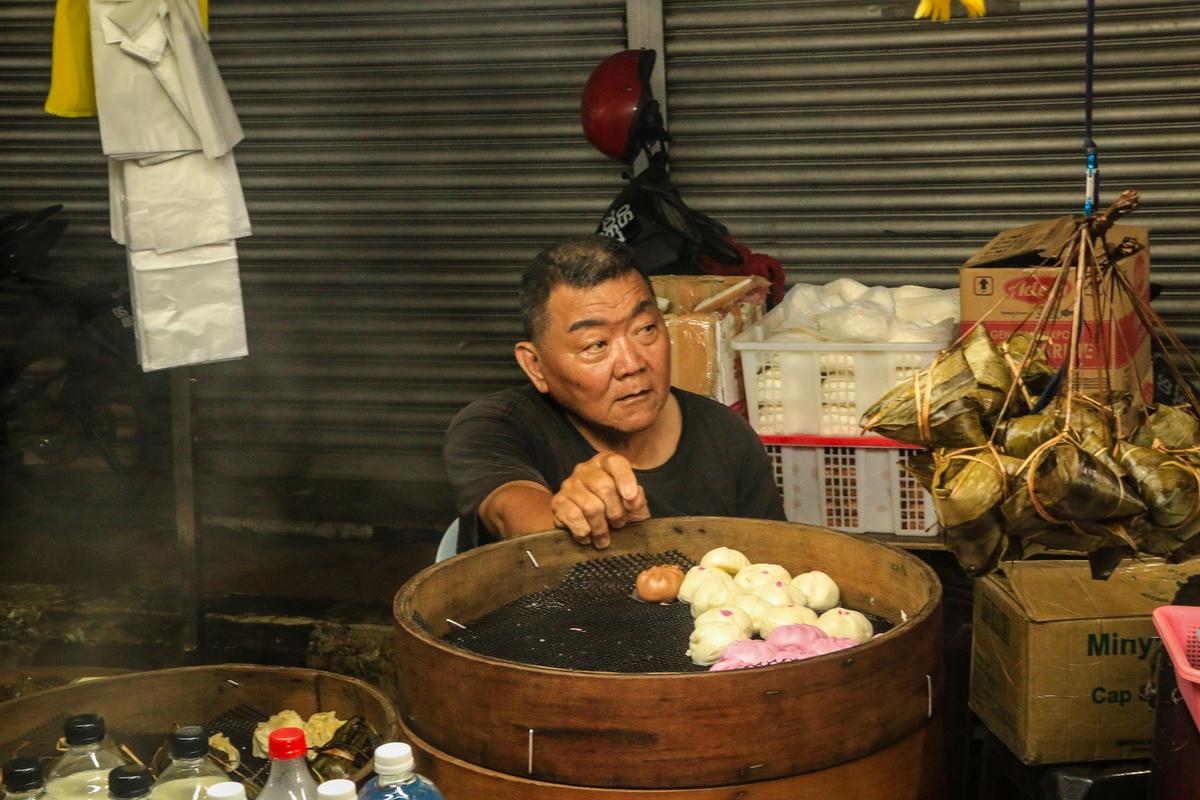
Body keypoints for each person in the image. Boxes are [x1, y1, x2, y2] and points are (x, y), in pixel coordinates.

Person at [443, 235, 785, 553]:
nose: (632, 364)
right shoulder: (496, 427)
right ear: (535, 366)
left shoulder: (727, 435)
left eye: (646, 329)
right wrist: (569, 515)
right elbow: (511, 511)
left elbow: (772, 570)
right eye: (596, 344)